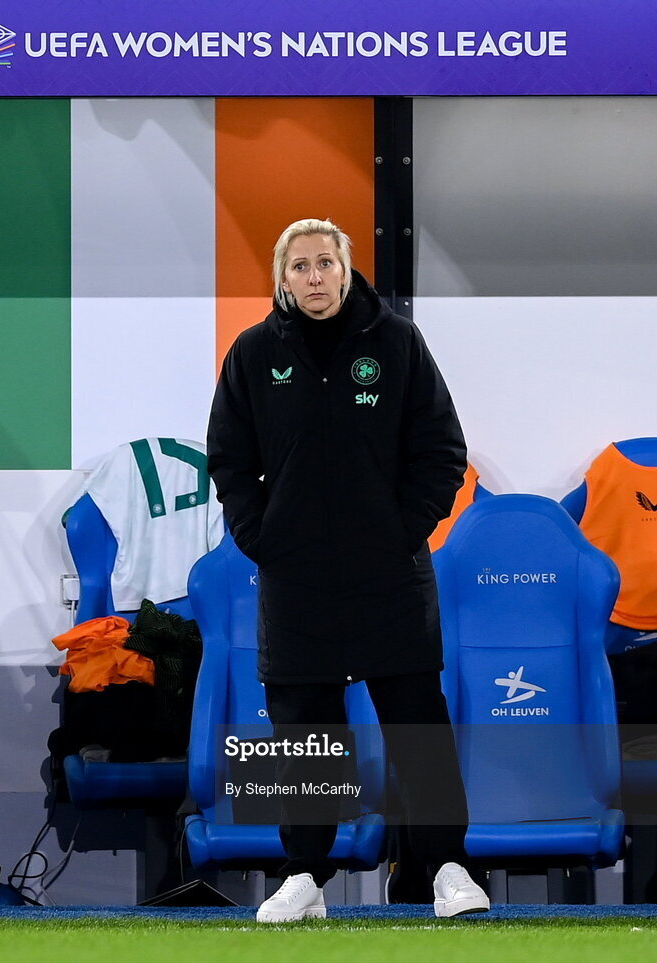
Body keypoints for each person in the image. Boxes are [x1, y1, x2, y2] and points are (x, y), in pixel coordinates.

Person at [206, 218, 489, 922]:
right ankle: (304, 875)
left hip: (389, 576)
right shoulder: (251, 354)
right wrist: (260, 536)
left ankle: (449, 869)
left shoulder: (395, 343)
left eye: (325, 262)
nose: (313, 276)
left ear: (346, 268)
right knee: (305, 733)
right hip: (296, 579)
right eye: (299, 265)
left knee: (418, 726)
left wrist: (400, 531)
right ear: (283, 277)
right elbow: (230, 462)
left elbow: (442, 449)